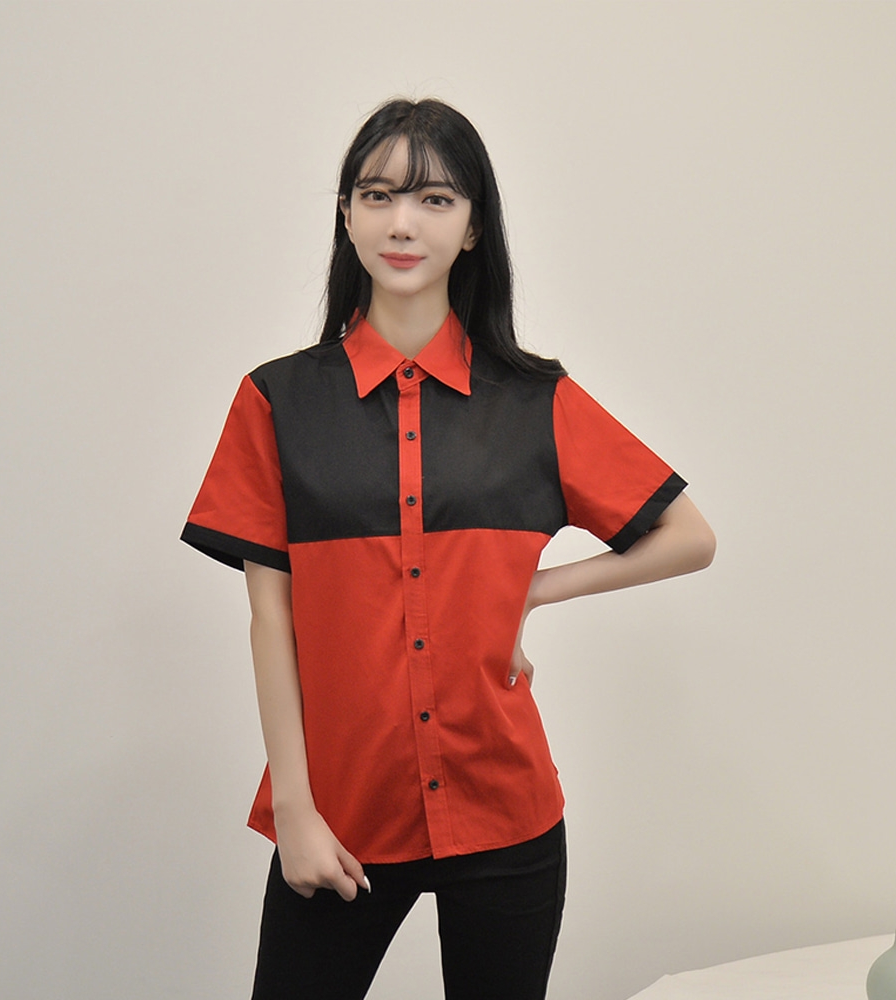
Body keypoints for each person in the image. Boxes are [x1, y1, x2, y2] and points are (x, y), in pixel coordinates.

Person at [181, 97, 715, 1000]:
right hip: (342, 818)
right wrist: (297, 813)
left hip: (506, 813)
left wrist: (532, 590)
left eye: (435, 200)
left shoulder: (534, 400)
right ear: (347, 216)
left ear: (472, 228)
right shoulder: (277, 402)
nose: (403, 223)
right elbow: (271, 619)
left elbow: (688, 536)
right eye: (378, 195)